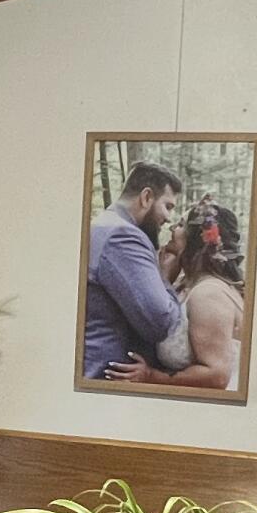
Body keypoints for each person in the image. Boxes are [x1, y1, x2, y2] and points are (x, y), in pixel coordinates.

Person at [85, 160, 185, 380]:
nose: (168, 218)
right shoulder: (123, 236)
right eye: (167, 206)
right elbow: (159, 321)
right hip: (105, 382)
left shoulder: (102, 225)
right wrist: (164, 277)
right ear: (146, 197)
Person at [147, 200, 245, 391]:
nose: (172, 227)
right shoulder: (189, 286)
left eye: (181, 225)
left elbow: (216, 375)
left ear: (196, 240)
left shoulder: (209, 294)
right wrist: (164, 279)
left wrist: (151, 376)